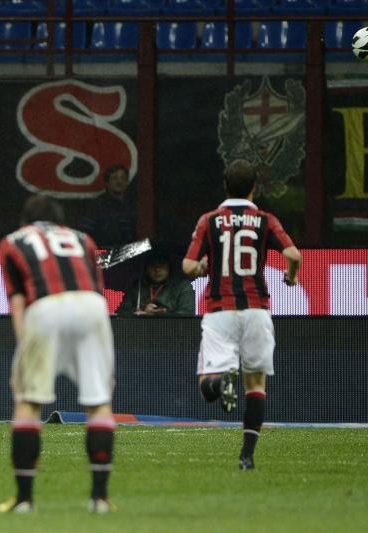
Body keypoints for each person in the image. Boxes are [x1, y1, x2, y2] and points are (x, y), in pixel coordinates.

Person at [0, 195, 117, 514]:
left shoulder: (11, 242)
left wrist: (23, 353)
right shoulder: (84, 239)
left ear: (25, 221)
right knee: (99, 402)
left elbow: (18, 302)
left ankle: (24, 500)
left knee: (28, 402)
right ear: (61, 221)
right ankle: (100, 499)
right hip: (92, 307)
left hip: (45, 307)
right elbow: (96, 289)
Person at [182, 159, 301, 471]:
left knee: (207, 388)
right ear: (254, 187)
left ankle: (221, 381)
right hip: (256, 310)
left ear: (225, 185)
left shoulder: (209, 220)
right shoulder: (265, 219)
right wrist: (291, 277)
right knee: (256, 384)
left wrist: (201, 267)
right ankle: (246, 456)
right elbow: (293, 254)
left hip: (220, 310)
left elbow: (188, 265)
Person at [115, 251, 195, 317]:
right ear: (146, 268)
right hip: (140, 330)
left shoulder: (183, 286)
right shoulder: (136, 287)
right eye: (152, 265)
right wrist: (142, 312)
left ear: (169, 267)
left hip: (173, 331)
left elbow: (187, 316)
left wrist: (163, 315)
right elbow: (121, 315)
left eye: (162, 264)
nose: (157, 269)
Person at [77, 164, 136, 248]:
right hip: (101, 252)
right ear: (107, 183)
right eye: (114, 178)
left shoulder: (132, 206)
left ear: (127, 183)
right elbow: (83, 234)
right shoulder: (97, 205)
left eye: (123, 178)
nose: (119, 181)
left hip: (127, 252)